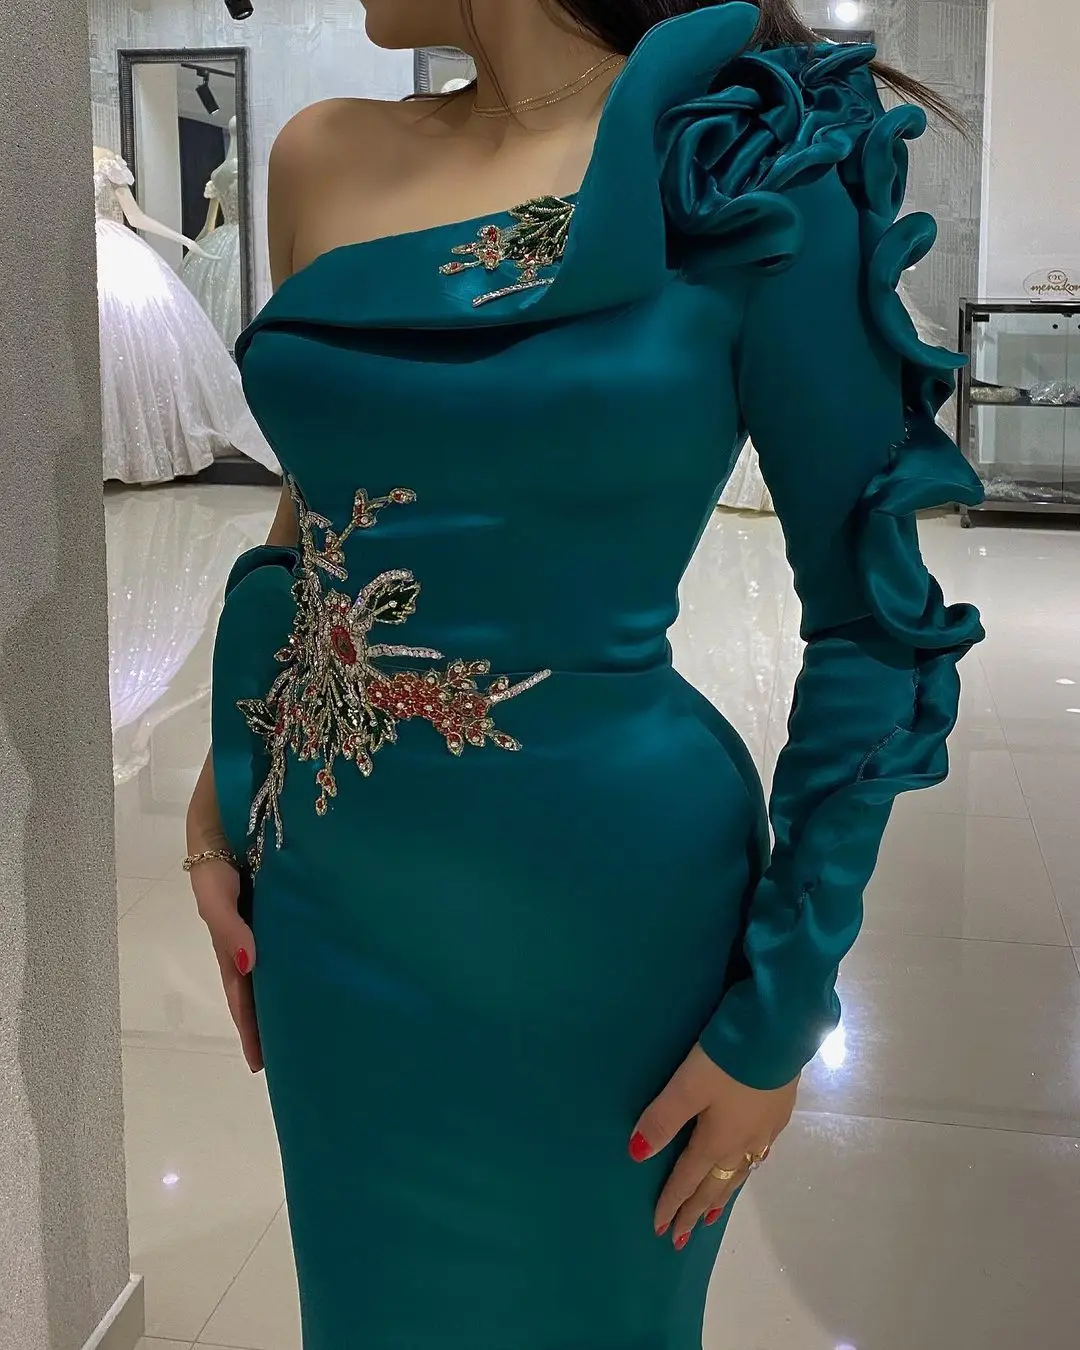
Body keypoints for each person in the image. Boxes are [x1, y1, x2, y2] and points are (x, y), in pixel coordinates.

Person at [185, 2, 985, 1346]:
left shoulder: (753, 168)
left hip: (605, 947)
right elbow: (323, 512)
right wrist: (225, 788)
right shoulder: (321, 156)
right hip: (332, 916)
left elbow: (871, 624)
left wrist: (777, 1013)